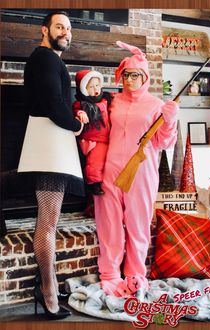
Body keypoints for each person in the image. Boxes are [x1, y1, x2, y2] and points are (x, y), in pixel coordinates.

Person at [94, 41, 179, 298]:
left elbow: (164, 142)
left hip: (141, 172)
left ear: (145, 77)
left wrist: (170, 120)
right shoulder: (112, 102)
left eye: (135, 75)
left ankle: (134, 275)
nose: (130, 80)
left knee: (138, 225)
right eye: (126, 74)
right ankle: (109, 275)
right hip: (110, 169)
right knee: (108, 224)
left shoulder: (156, 105)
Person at [18, 11, 84, 319]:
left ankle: (47, 285)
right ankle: (47, 290)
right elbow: (52, 103)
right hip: (49, 143)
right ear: (45, 29)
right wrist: (76, 125)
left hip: (50, 143)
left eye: (69, 28)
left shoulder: (47, 59)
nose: (65, 32)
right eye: (60, 26)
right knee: (48, 223)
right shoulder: (45, 58)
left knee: (48, 221)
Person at [73, 70, 112, 195]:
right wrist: (81, 113)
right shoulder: (82, 104)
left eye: (97, 85)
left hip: (107, 138)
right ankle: (93, 183)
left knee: (106, 163)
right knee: (95, 162)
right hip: (94, 140)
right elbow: (76, 110)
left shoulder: (105, 100)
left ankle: (101, 181)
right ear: (84, 89)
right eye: (90, 86)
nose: (95, 88)